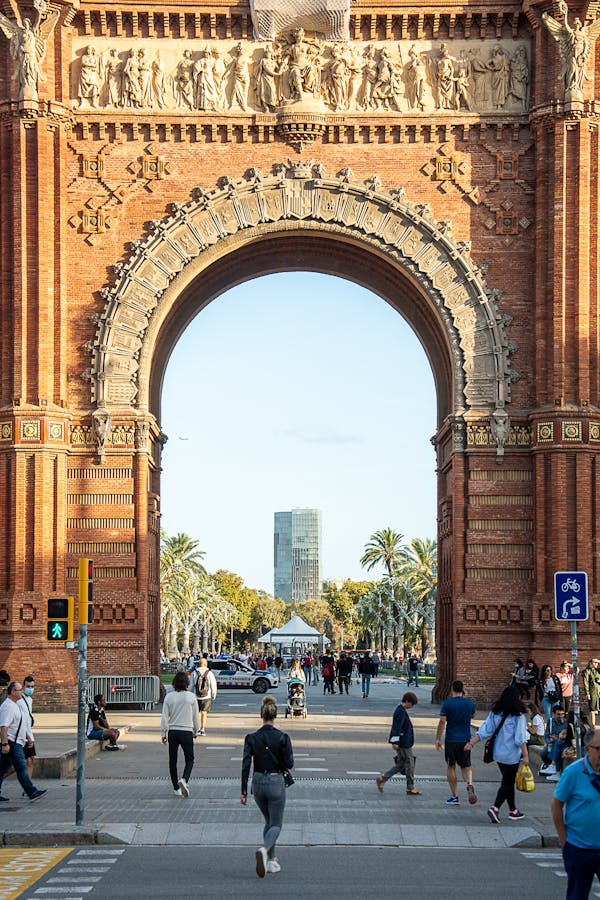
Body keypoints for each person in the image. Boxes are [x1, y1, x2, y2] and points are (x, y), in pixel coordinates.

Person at [241, 696, 294, 878]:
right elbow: (289, 763)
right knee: (277, 824)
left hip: (257, 782)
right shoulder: (282, 737)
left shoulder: (251, 737)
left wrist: (243, 791)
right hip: (275, 782)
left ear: (261, 714)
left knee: (268, 821)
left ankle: (271, 861)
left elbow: (246, 764)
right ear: (275, 715)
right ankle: (264, 850)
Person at [465, 685, 529, 823]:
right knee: (507, 782)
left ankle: (513, 810)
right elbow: (520, 738)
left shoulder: (495, 713)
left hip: (498, 753)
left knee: (508, 781)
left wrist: (471, 743)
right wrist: (526, 755)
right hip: (512, 754)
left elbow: (485, 730)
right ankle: (495, 808)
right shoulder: (518, 716)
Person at [552, 729, 600, 899]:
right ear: (587, 749)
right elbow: (557, 804)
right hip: (579, 848)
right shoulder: (573, 772)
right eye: (599, 749)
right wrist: (564, 841)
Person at [0, 681, 46, 802]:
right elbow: (4, 726)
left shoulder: (15, 704)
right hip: (12, 743)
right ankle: (31, 791)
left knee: (2, 769)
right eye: (20, 690)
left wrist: (28, 737)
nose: (22, 692)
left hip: (17, 742)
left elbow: (20, 724)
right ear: (13, 692)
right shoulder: (8, 707)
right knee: (21, 766)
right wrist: (5, 744)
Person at [435, 679, 477, 805]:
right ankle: (469, 784)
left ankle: (454, 796)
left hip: (451, 740)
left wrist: (438, 738)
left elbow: (442, 721)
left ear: (452, 689)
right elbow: (473, 716)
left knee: (451, 766)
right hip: (465, 739)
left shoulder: (447, 704)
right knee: (466, 766)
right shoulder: (469, 703)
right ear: (463, 690)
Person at [161, 670, 199, 797]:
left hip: (173, 731)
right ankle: (184, 779)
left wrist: (163, 733)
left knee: (173, 760)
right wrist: (196, 730)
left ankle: (175, 788)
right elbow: (195, 717)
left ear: (174, 683)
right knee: (190, 759)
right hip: (187, 730)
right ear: (187, 683)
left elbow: (165, 717)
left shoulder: (169, 697)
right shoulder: (191, 697)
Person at [376, 691, 421, 795]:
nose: (412, 706)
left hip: (403, 741)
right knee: (410, 764)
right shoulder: (401, 711)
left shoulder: (400, 710)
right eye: (412, 704)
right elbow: (397, 727)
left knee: (401, 764)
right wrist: (395, 741)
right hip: (404, 742)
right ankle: (410, 787)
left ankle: (383, 779)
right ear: (407, 701)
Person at [190, 657, 217, 736]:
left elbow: (191, 685)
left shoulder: (194, 673)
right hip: (206, 696)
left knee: (196, 713)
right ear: (206, 664)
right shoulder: (209, 673)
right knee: (204, 713)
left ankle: (196, 729)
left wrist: (190, 694)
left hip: (196, 696)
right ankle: (202, 729)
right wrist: (213, 694)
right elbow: (213, 685)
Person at [539, 705, 567, 776]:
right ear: (554, 714)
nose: (560, 716)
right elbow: (547, 735)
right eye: (558, 714)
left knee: (559, 750)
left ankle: (554, 768)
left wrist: (557, 737)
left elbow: (566, 736)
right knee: (543, 753)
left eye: (562, 714)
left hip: (561, 742)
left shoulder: (566, 723)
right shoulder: (551, 722)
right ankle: (549, 766)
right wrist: (549, 742)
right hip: (552, 742)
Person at [19, 674, 36, 781]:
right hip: (22, 736)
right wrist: (28, 737)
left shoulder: (29, 700)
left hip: (28, 735)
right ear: (23, 686)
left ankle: (28, 788)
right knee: (15, 764)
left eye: (32, 686)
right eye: (28, 686)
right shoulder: (20, 700)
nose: (30, 689)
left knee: (30, 760)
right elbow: (22, 721)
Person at [583, 658, 600, 727]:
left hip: (599, 692)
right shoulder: (587, 671)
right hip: (592, 692)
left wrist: (598, 661)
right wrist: (587, 693)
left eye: (597, 663)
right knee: (592, 710)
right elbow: (585, 683)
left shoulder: (598, 671)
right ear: (590, 663)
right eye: (595, 663)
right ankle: (593, 726)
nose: (597, 664)